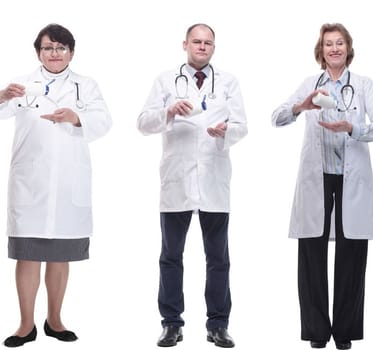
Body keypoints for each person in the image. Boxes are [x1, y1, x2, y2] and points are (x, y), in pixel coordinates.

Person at [0, 23, 112, 348]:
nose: (55, 53)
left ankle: (55, 319)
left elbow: (105, 121)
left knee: (60, 256)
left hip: (68, 185)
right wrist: (1, 96)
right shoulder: (21, 85)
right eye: (49, 47)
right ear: (39, 51)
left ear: (71, 53)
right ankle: (25, 325)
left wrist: (75, 118)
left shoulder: (86, 86)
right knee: (28, 256)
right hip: (30, 185)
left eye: (61, 48)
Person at [271, 23, 373, 350]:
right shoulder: (310, 85)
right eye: (328, 44)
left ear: (348, 48)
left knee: (352, 256)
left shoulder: (364, 86)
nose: (334, 49)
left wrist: (352, 128)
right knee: (311, 254)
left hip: (352, 177)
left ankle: (345, 333)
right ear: (320, 50)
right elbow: (277, 116)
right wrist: (301, 107)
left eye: (339, 43)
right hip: (317, 176)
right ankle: (317, 332)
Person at [137, 23, 247, 349]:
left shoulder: (228, 82)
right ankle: (171, 324)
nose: (202, 47)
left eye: (208, 43)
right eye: (197, 42)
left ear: (214, 47)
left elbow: (242, 125)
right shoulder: (165, 81)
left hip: (214, 180)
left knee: (218, 259)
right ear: (185, 44)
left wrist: (226, 131)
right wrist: (168, 111)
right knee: (171, 257)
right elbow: (143, 123)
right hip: (177, 183)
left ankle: (218, 325)